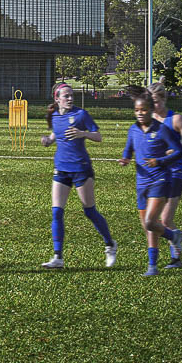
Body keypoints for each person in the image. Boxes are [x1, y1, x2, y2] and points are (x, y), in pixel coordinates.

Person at [40, 82, 117, 269]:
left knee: (89, 211)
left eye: (71, 95)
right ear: (57, 99)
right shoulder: (55, 116)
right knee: (57, 211)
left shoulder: (81, 115)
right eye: (65, 96)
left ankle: (110, 245)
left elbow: (98, 136)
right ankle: (58, 257)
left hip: (81, 168)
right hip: (61, 169)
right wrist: (48, 141)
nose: (70, 98)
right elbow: (55, 135)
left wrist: (83, 133)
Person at [119, 92, 182, 276]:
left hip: (160, 179)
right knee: (147, 227)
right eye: (137, 110)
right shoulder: (133, 129)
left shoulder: (161, 129)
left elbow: (180, 151)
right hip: (141, 182)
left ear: (151, 110)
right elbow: (128, 148)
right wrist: (125, 159)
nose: (140, 113)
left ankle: (173, 236)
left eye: (144, 110)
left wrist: (160, 161)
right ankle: (153, 266)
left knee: (151, 222)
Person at [146, 85, 182, 268]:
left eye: (156, 102)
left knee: (165, 219)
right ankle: (176, 238)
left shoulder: (176, 119)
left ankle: (176, 258)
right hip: (156, 174)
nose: (153, 106)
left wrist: (176, 150)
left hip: (175, 173)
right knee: (154, 219)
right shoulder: (149, 120)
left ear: (164, 100)